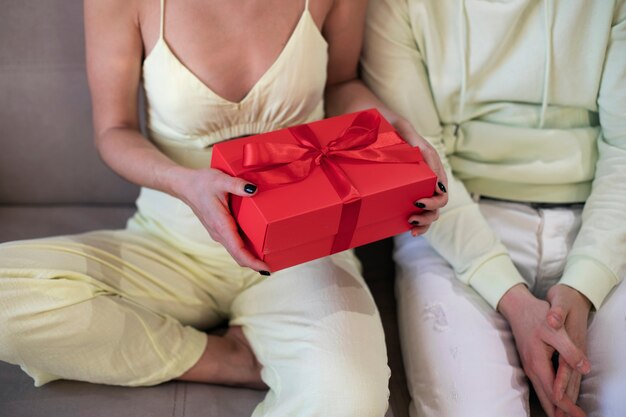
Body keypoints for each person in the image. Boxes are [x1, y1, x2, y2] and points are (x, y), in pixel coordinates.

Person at [0, 0, 447, 416]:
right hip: (172, 240)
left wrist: (396, 138)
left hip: (302, 248)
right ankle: (228, 361)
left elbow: (342, 84)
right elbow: (114, 130)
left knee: (352, 397)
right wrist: (185, 183)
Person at [362, 1, 626, 417]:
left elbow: (624, 149)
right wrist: (514, 301)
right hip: (452, 223)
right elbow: (421, 161)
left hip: (603, 219)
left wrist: (586, 280)